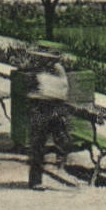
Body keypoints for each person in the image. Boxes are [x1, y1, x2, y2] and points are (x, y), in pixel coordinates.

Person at [25, 51, 71, 190]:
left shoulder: (57, 69)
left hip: (52, 108)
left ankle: (60, 158)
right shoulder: (38, 69)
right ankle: (35, 180)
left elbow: (63, 90)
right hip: (41, 109)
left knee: (60, 139)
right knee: (37, 145)